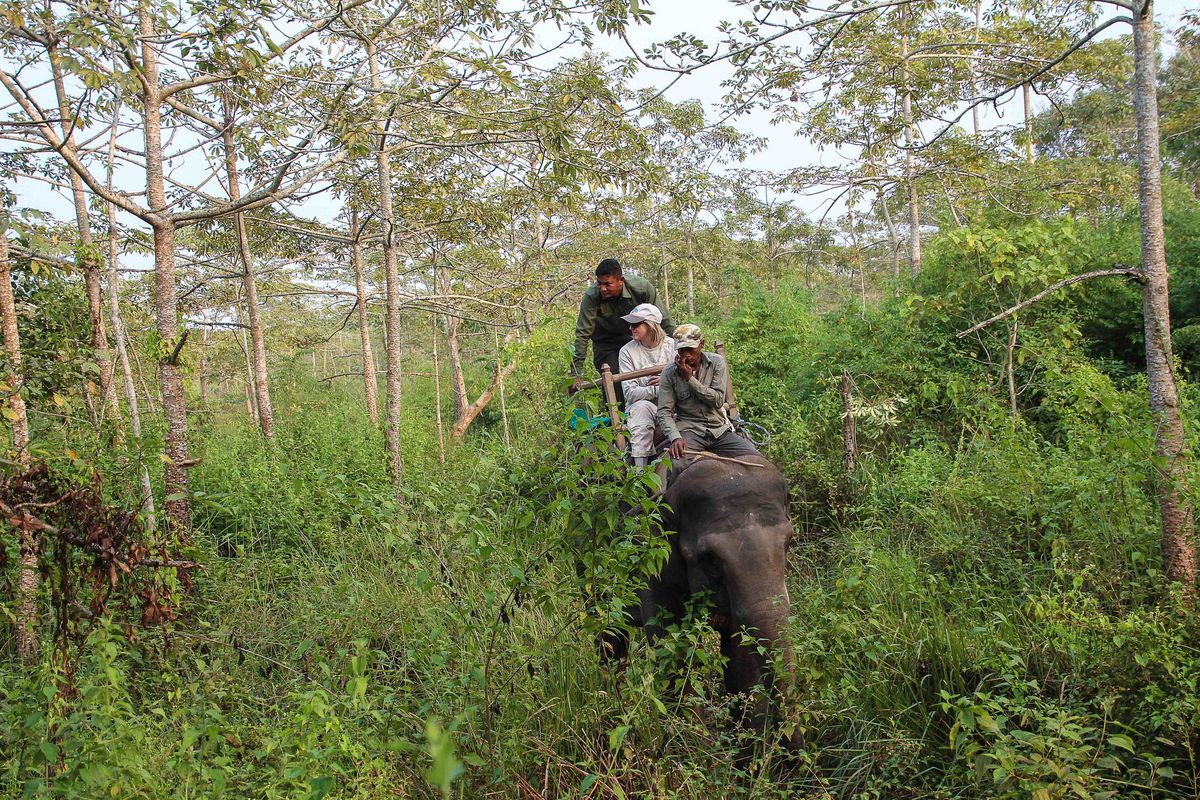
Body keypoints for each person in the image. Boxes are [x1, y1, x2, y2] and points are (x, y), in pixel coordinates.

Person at [570, 258, 674, 404]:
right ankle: (617, 416)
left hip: (635, 338)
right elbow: (582, 334)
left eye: (608, 284)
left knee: (651, 374)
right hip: (606, 344)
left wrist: (680, 348)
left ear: (621, 281)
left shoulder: (641, 288)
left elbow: (663, 320)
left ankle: (656, 410)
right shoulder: (592, 296)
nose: (603, 288)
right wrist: (576, 373)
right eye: (599, 283)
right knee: (613, 382)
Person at [657, 323, 761, 460]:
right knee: (677, 463)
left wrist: (689, 378)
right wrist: (676, 437)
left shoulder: (716, 362)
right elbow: (664, 412)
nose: (687, 355)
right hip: (689, 430)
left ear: (701, 344)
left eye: (690, 349)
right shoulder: (669, 373)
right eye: (682, 350)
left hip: (718, 430)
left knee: (756, 458)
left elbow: (718, 401)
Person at [617, 303, 676, 468]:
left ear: (650, 325)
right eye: (630, 324)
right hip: (646, 408)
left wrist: (667, 382)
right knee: (641, 408)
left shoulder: (673, 346)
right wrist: (662, 387)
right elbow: (630, 393)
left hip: (674, 404)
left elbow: (685, 381)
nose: (631, 328)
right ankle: (640, 470)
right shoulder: (627, 352)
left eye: (636, 324)